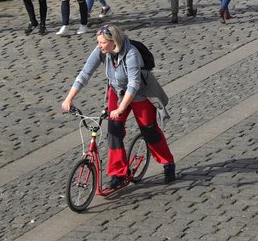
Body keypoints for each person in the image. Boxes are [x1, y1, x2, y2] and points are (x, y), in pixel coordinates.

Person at [61, 23, 176, 189]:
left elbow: (134, 84)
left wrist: (121, 108)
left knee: (149, 129)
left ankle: (168, 162)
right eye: (98, 42)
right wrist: (69, 99)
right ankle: (118, 173)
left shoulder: (131, 54)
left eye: (102, 42)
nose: (99, 45)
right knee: (114, 131)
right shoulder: (101, 52)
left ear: (113, 42)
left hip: (140, 94)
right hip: (116, 91)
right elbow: (85, 74)